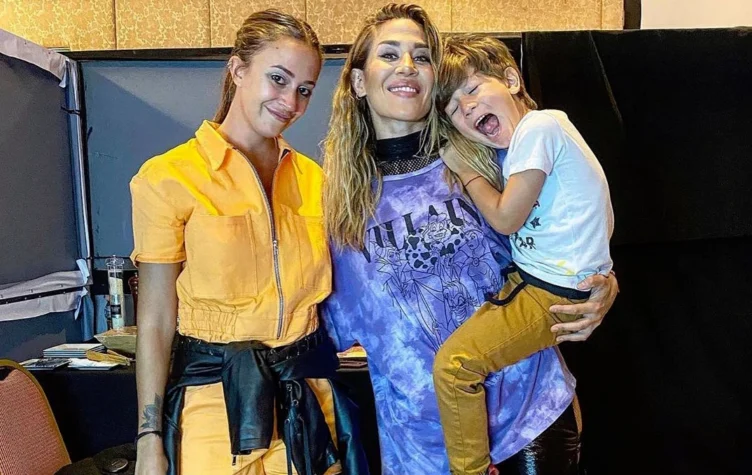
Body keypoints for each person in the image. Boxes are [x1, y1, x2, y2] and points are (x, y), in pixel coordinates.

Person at [320, 4, 619, 474]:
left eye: (422, 56)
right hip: (423, 444)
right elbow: (323, 325)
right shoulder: (337, 204)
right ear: (359, 81)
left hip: (528, 416)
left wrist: (603, 285)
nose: (407, 66)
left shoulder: (490, 158)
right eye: (389, 54)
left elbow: (567, 236)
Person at [130, 10, 366, 475]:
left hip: (306, 399)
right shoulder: (168, 177)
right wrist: (149, 437)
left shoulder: (316, 181)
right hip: (212, 406)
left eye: (304, 90)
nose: (290, 102)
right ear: (238, 70)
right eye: (278, 79)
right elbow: (155, 319)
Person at [432, 33, 614, 475]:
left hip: (549, 289)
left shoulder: (539, 127)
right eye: (453, 108)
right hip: (540, 280)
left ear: (512, 80)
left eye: (473, 88)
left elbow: (506, 218)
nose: (467, 107)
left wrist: (466, 171)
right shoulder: (518, 148)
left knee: (455, 367)